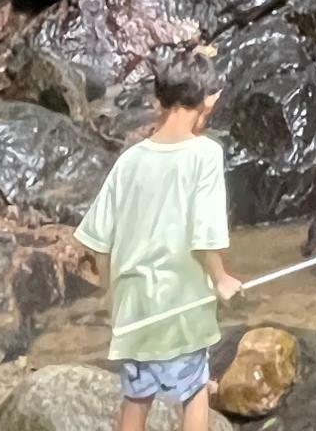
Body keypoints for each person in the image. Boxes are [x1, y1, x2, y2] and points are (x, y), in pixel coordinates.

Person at [75, 51, 243, 431]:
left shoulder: (130, 160)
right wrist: (221, 280)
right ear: (205, 101)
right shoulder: (205, 155)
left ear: (161, 100)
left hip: (134, 310)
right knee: (196, 390)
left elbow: (96, 242)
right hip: (179, 308)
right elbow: (204, 234)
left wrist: (111, 294)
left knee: (137, 397)